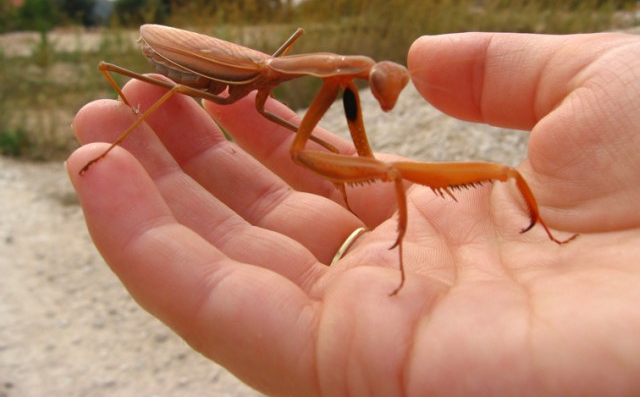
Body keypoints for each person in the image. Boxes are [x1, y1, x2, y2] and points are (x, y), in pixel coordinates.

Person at [67, 32, 640, 395]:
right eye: (374, 86)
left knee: (333, 155)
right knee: (173, 97)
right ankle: (118, 142)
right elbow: (297, 141)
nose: (380, 96)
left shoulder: (308, 80)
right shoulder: (268, 78)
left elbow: (319, 148)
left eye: (375, 86)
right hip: (195, 68)